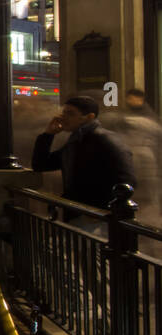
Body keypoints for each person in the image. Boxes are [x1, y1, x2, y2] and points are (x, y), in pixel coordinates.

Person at [31, 96, 136, 231]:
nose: (63, 117)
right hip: (80, 213)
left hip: (95, 218)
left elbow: (126, 179)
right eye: (63, 112)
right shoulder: (76, 141)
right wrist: (48, 134)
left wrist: (100, 210)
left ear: (89, 117)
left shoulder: (103, 139)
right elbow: (41, 164)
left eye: (70, 113)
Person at [106, 89, 162, 225]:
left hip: (146, 164)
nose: (133, 101)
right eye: (130, 98)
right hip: (134, 163)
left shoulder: (148, 118)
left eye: (135, 98)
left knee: (147, 196)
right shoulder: (122, 117)